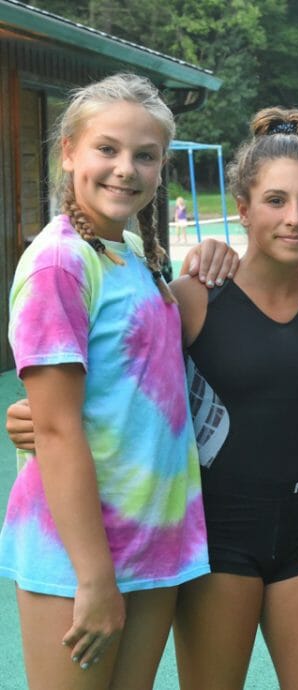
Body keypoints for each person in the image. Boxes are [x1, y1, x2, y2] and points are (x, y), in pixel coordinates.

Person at [0, 73, 210, 689]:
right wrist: (94, 578)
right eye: (107, 149)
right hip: (80, 556)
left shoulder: (130, 259)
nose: (126, 169)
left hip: (151, 543)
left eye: (145, 155)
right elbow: (58, 429)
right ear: (68, 151)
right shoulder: (60, 261)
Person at [168, 107, 298, 689]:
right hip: (217, 542)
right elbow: (139, 402)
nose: (294, 218)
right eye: (275, 201)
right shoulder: (195, 298)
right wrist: (42, 418)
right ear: (243, 209)